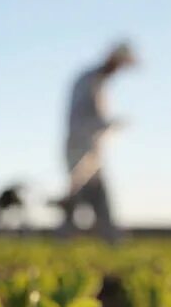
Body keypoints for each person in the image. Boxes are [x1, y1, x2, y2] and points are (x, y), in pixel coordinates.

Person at [56, 41, 136, 242]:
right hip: (80, 146)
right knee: (79, 194)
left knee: (97, 194)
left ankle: (110, 237)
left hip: (91, 148)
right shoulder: (89, 81)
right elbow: (84, 118)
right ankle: (66, 237)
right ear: (113, 60)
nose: (120, 70)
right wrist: (110, 124)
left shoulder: (97, 81)